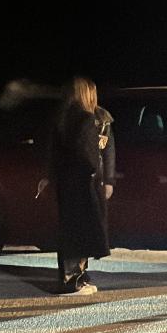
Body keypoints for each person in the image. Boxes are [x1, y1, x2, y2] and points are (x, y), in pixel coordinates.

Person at [51, 77, 111, 295]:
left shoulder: (61, 118)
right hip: (83, 183)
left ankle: (73, 277)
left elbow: (54, 152)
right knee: (83, 230)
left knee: (70, 230)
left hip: (66, 183)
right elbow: (89, 154)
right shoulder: (86, 119)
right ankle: (73, 281)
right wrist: (96, 173)